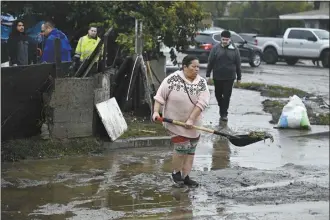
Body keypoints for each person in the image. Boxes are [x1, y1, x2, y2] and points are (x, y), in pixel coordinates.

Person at [152, 55, 210, 187]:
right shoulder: (172, 79)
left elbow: (202, 103)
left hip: (194, 124)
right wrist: (156, 112)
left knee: (191, 150)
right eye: (193, 66)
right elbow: (160, 96)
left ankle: (186, 176)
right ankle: (176, 172)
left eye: (198, 67)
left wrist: (191, 119)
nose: (196, 69)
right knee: (182, 147)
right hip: (175, 123)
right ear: (184, 67)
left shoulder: (201, 83)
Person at [206, 30, 242, 122]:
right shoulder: (216, 48)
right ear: (220, 39)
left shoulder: (235, 49)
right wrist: (208, 75)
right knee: (218, 95)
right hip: (217, 76)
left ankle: (224, 114)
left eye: (226, 40)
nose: (225, 41)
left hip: (230, 77)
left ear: (229, 39)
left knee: (226, 96)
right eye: (223, 39)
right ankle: (222, 107)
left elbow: (238, 64)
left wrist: (239, 78)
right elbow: (210, 62)